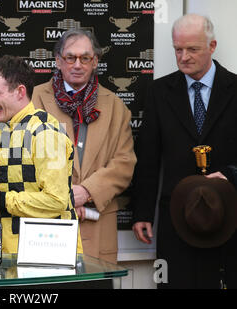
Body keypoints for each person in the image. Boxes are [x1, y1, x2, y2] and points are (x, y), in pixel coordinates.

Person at [131, 14, 237, 288]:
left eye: (193, 49)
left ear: (212, 46)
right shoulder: (158, 92)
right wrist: (142, 212)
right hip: (175, 221)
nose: (184, 57)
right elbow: (148, 158)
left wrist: (229, 175)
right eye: (178, 49)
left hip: (228, 217)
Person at [0, 55, 83, 253]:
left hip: (49, 250)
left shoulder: (46, 132)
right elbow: (8, 187)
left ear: (20, 92)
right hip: (5, 249)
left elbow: (56, 201)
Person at [32, 29, 136, 264]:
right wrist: (65, 196)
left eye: (85, 58)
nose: (77, 65)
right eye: (70, 57)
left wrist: (88, 191)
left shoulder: (116, 106)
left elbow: (124, 163)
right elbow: (23, 159)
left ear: (95, 61)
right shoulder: (34, 99)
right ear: (58, 61)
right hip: (47, 225)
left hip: (98, 226)